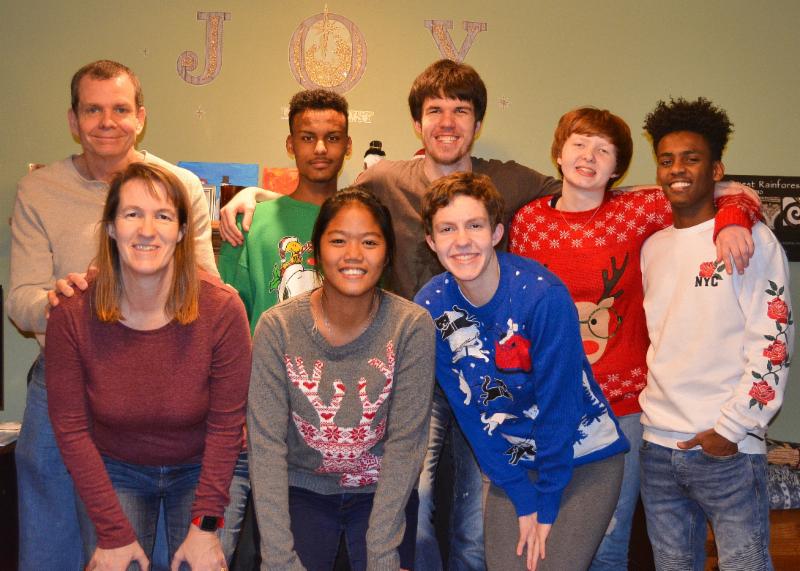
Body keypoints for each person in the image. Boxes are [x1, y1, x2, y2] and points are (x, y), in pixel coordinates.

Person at [219, 60, 758, 571]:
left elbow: (598, 189)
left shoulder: (519, 205)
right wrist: (260, 198)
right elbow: (330, 205)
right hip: (419, 371)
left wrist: (730, 200)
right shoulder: (385, 184)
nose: (447, 122)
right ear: (417, 124)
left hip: (518, 392)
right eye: (434, 110)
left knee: (492, 526)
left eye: (461, 110)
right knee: (423, 501)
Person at [508, 107, 761, 570]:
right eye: (579, 144)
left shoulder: (639, 209)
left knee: (609, 538)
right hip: (546, 404)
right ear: (559, 154)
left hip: (621, 408)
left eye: (603, 150)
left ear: (617, 168)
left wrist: (732, 221)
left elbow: (734, 192)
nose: (589, 157)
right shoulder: (527, 222)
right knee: (542, 536)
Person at [6, 59, 217, 570]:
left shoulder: (180, 185)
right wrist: (59, 303)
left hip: (155, 380)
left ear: (140, 117)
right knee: (52, 529)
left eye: (120, 109)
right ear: (73, 120)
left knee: (150, 544)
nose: (107, 122)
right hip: (65, 376)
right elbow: (20, 300)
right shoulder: (39, 190)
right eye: (92, 110)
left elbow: (206, 287)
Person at [416, 171, 629, 570]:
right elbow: (470, 414)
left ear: (497, 232)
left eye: (474, 225)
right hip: (513, 460)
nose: (462, 241)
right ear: (431, 241)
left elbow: (559, 407)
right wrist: (519, 492)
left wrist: (546, 501)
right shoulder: (431, 306)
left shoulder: (542, 295)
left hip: (582, 456)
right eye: (447, 229)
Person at [45, 162, 251, 570]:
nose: (147, 230)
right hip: (116, 466)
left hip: (206, 467)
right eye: (132, 214)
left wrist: (206, 527)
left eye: (163, 216)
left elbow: (227, 428)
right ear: (110, 227)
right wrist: (113, 534)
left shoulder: (222, 310)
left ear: (182, 231)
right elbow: (71, 430)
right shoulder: (71, 313)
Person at [638, 97, 792, 570]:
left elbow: (772, 342)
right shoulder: (652, 246)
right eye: (666, 160)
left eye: (691, 158)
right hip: (657, 448)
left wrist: (731, 429)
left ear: (716, 169)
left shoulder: (751, 240)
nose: (677, 170)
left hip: (726, 449)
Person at [247, 187, 435, 570]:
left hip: (381, 492)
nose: (353, 254)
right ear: (316, 252)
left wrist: (382, 555)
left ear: (387, 254)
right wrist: (278, 558)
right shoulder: (278, 327)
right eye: (338, 241)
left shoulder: (411, 326)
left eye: (369, 242)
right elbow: (266, 446)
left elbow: (405, 446)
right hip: (301, 487)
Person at [216, 88, 352, 563]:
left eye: (333, 137)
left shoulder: (363, 222)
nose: (321, 148)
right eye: (307, 137)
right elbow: (230, 326)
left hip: (337, 416)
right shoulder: (253, 223)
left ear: (348, 145)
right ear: (290, 144)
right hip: (265, 412)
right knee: (246, 548)